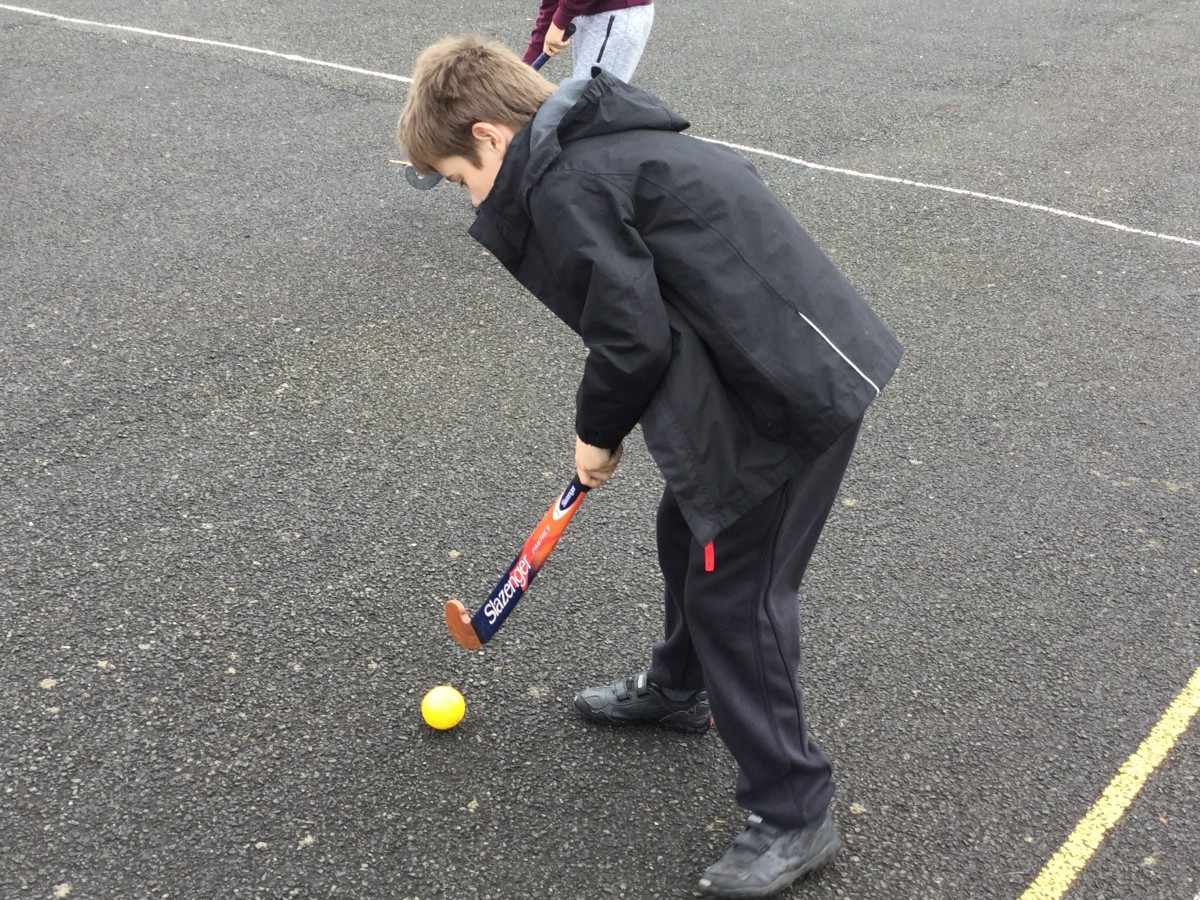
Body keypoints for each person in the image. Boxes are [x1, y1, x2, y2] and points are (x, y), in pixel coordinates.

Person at [398, 35, 903, 898]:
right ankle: (680, 687)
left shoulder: (568, 184)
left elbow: (630, 335)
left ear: (488, 136)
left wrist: (595, 433)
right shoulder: (599, 145)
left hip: (783, 398)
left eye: (457, 178)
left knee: (737, 594)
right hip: (762, 369)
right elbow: (652, 300)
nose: (468, 199)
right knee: (688, 531)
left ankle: (794, 808)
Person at [522, 0, 654, 82]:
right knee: (582, 101)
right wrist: (522, 73)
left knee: (590, 105)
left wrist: (560, 19)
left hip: (616, 14)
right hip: (587, 12)